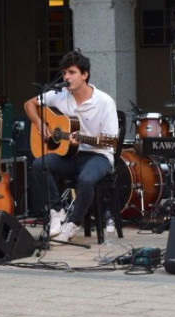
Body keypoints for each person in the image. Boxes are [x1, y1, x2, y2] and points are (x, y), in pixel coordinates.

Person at [25, 50, 119, 242]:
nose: (66, 77)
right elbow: (29, 104)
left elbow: (111, 140)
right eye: (64, 73)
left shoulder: (104, 101)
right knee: (39, 164)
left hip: (98, 155)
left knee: (86, 180)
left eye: (71, 72)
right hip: (70, 154)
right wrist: (39, 123)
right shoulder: (59, 95)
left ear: (84, 75)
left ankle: (73, 223)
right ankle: (57, 211)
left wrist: (84, 138)